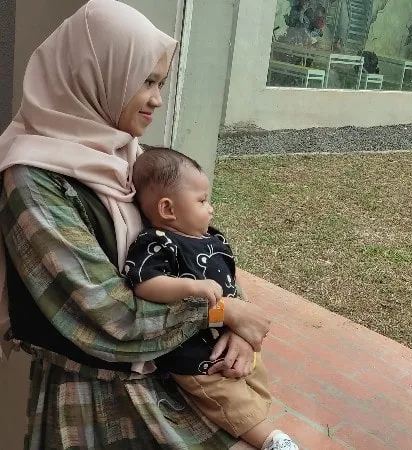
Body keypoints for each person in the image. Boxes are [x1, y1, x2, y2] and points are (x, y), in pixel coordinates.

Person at [0, 1, 277, 447]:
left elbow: (196, 246)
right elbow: (106, 317)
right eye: (145, 81)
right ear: (95, 72)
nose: (157, 99)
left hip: (172, 378)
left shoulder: (129, 157)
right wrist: (221, 312)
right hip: (92, 402)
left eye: (161, 82)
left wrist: (237, 326)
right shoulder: (32, 181)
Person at [122, 147, 297, 450]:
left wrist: (239, 322)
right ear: (168, 209)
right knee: (227, 400)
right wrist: (190, 288)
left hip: (227, 335)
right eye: (202, 201)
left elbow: (231, 284)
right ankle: (273, 441)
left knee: (252, 381)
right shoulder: (159, 242)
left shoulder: (213, 239)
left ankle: (261, 426)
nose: (210, 208)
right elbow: (144, 284)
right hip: (195, 354)